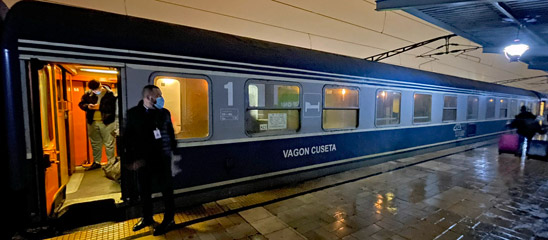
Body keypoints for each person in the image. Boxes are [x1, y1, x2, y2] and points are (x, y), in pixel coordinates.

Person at [125, 85, 179, 236]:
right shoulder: (134, 114)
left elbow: (170, 133)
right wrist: (131, 160)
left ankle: (169, 219)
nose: (162, 98)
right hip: (143, 160)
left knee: (167, 191)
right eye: (159, 95)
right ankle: (147, 217)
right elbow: (128, 138)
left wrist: (174, 154)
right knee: (145, 191)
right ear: (149, 97)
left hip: (162, 159)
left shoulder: (164, 113)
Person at [78, 80, 117, 170]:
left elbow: (114, 107)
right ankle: (97, 162)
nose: (95, 91)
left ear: (100, 86)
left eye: (97, 89)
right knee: (95, 143)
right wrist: (87, 106)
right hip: (93, 121)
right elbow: (81, 104)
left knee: (109, 143)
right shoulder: (88, 94)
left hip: (107, 121)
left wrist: (100, 107)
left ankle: (110, 163)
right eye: (93, 90)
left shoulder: (110, 94)